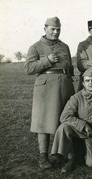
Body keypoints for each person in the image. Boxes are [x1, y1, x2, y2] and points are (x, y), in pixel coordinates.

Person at [24, 16, 75, 169]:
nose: (55, 32)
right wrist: (47, 60)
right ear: (45, 28)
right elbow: (28, 68)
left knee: (65, 119)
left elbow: (70, 68)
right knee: (44, 121)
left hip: (65, 86)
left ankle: (63, 154)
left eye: (58, 29)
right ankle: (43, 157)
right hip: (45, 88)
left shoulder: (64, 46)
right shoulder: (36, 47)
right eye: (52, 29)